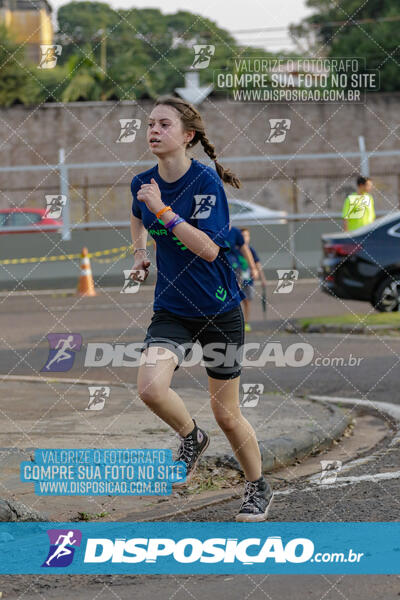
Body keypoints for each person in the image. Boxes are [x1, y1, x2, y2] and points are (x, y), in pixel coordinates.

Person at [129, 95, 274, 521]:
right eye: (150, 124)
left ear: (187, 136)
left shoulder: (205, 182)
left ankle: (257, 486)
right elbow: (137, 215)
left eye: (164, 125)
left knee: (227, 414)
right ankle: (192, 437)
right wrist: (140, 253)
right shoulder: (143, 183)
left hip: (218, 308)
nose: (153, 131)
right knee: (150, 388)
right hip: (172, 307)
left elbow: (210, 249)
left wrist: (163, 210)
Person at [239, 228, 267, 332]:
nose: (244, 238)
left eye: (246, 236)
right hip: (237, 281)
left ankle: (246, 323)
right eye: (242, 236)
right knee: (237, 302)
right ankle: (238, 322)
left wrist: (262, 278)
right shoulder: (235, 250)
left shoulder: (251, 250)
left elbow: (257, 264)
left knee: (247, 302)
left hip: (248, 280)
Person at [225, 225, 259, 289]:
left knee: (236, 291)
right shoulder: (212, 230)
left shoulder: (235, 232)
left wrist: (253, 268)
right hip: (217, 269)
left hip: (234, 268)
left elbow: (245, 249)